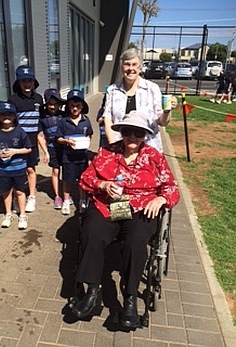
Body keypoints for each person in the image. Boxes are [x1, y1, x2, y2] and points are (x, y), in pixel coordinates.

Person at [71, 111, 180, 328]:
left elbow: (172, 188)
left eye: (138, 133)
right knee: (91, 232)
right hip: (108, 206)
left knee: (136, 242)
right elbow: (85, 178)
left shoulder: (154, 157)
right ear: (121, 132)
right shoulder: (107, 152)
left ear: (145, 135)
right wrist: (101, 185)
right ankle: (93, 292)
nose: (132, 136)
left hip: (141, 209)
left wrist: (160, 198)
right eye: (128, 131)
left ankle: (130, 299)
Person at [103, 48, 173, 153]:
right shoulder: (112, 90)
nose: (131, 68)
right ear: (121, 67)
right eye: (127, 64)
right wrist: (113, 145)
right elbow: (108, 120)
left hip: (149, 149)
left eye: (134, 64)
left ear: (140, 68)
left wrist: (167, 111)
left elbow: (162, 122)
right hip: (121, 150)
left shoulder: (152, 89)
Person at [8, 65, 49, 213]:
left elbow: (40, 127)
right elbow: (10, 122)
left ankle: (31, 196)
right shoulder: (13, 99)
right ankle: (16, 197)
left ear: (33, 82)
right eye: (23, 81)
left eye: (29, 81)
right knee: (17, 171)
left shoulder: (38, 99)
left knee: (31, 169)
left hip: (32, 143)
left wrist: (45, 150)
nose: (27, 84)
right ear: (18, 82)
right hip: (17, 143)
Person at [0, 101, 32, 230]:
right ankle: (8, 214)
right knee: (6, 192)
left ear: (15, 117)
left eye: (9, 114)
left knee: (20, 191)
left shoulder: (20, 132)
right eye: (3, 114)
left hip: (19, 169)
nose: (6, 117)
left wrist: (15, 151)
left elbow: (28, 148)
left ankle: (22, 215)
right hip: (3, 169)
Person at [55, 89, 93, 215]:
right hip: (68, 157)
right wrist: (66, 141)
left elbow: (89, 135)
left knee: (82, 180)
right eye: (72, 106)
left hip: (82, 157)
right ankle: (66, 200)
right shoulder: (63, 121)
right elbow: (58, 138)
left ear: (82, 106)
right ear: (68, 107)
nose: (75, 108)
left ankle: (82, 200)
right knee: (67, 180)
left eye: (77, 106)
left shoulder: (86, 121)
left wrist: (87, 140)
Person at [39, 88, 66, 209]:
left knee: (66, 172)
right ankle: (57, 196)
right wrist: (46, 152)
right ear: (46, 104)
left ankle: (66, 195)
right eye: (50, 104)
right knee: (55, 171)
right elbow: (40, 136)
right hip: (52, 148)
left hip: (65, 148)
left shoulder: (64, 115)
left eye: (56, 104)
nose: (53, 106)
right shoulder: (42, 118)